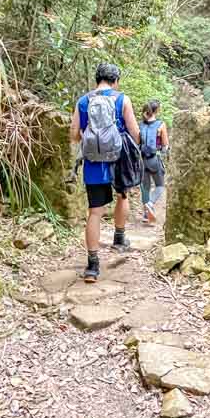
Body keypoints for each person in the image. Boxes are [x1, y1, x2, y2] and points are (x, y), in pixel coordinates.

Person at [70, 63, 140, 282]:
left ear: (96, 79)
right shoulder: (122, 99)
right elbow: (134, 131)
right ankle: (119, 238)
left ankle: (92, 265)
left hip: (93, 161)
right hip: (118, 157)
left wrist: (90, 140)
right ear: (116, 81)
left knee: (95, 212)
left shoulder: (83, 101)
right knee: (123, 195)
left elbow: (73, 134)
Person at [139, 100, 169, 223]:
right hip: (154, 159)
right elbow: (165, 145)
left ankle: (146, 215)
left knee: (145, 187)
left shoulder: (140, 125)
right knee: (160, 186)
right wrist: (164, 153)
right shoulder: (161, 125)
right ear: (157, 111)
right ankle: (150, 204)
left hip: (141, 160)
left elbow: (136, 143)